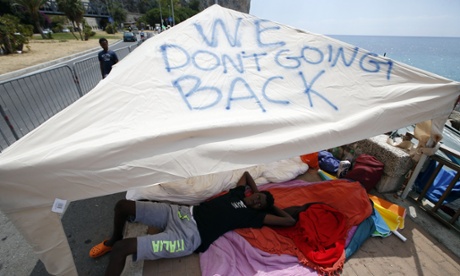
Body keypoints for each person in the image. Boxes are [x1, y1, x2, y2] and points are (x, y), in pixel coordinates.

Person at [89, 171, 295, 275]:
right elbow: (246, 175)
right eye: (257, 197)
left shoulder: (253, 216)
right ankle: (112, 239)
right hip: (181, 214)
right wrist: (258, 192)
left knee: (122, 248)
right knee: (123, 205)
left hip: (188, 237)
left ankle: (115, 245)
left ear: (260, 210)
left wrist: (267, 206)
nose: (256, 201)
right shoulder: (237, 194)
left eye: (259, 204)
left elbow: (288, 220)